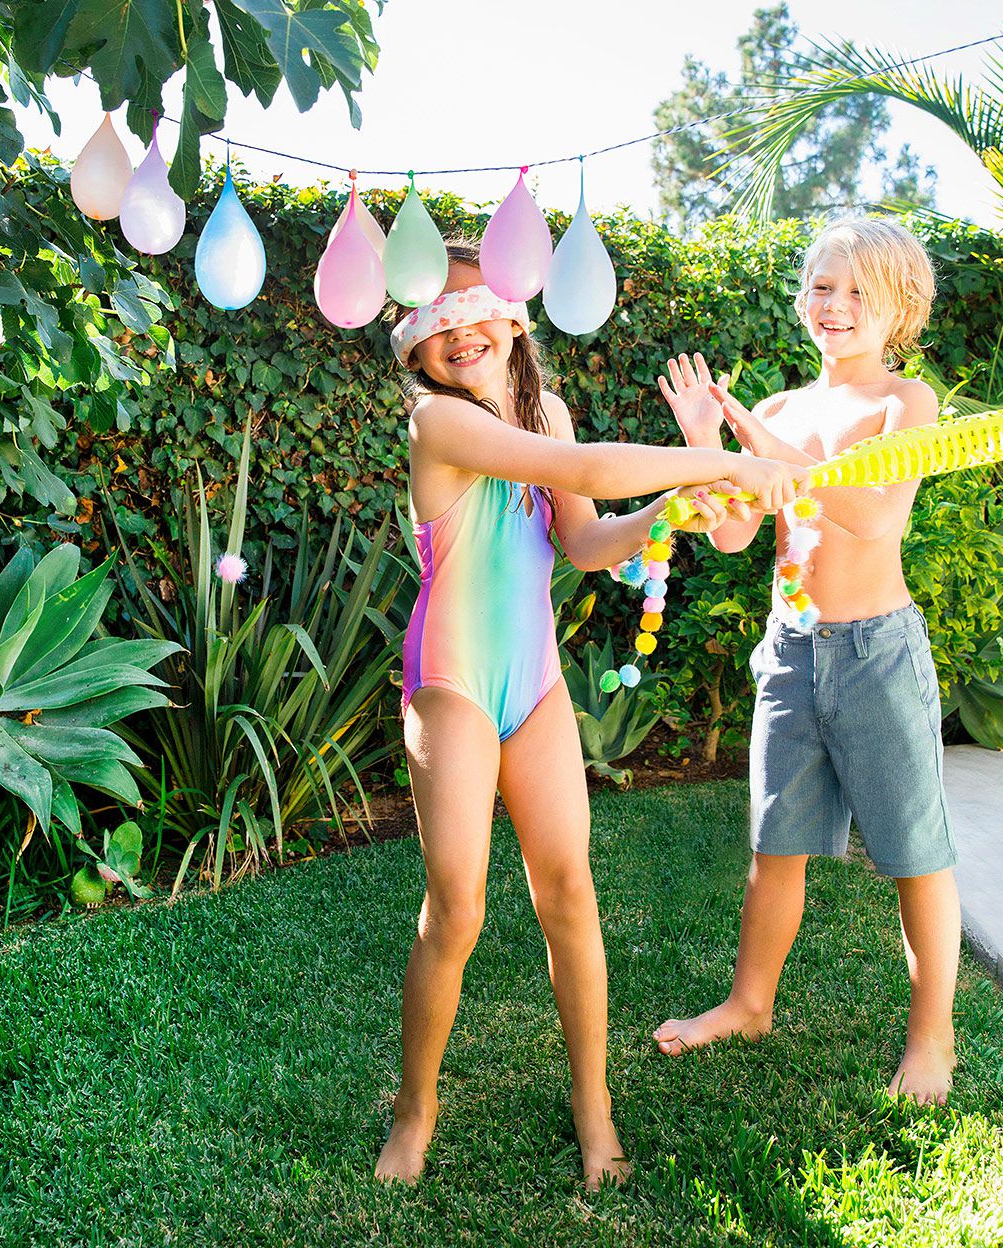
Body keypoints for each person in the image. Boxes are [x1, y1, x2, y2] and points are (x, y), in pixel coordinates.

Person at [375, 241, 800, 1188]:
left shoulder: (547, 410)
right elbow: (588, 466)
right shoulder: (438, 424)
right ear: (411, 351)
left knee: (569, 891)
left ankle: (592, 1104)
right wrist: (710, 456)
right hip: (449, 687)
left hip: (533, 685)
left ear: (514, 318)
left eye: (473, 309)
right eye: (432, 324)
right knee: (457, 909)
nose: (457, 332)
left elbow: (587, 540)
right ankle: (415, 1107)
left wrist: (665, 514)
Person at [652, 216, 959, 1105]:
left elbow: (870, 517)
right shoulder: (779, 409)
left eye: (861, 292)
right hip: (789, 652)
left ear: (900, 308)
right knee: (772, 846)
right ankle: (749, 1004)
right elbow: (741, 528)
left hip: (876, 652)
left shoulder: (904, 404)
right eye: (825, 287)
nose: (837, 306)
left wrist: (768, 449)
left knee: (913, 851)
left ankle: (932, 1033)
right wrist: (708, 446)